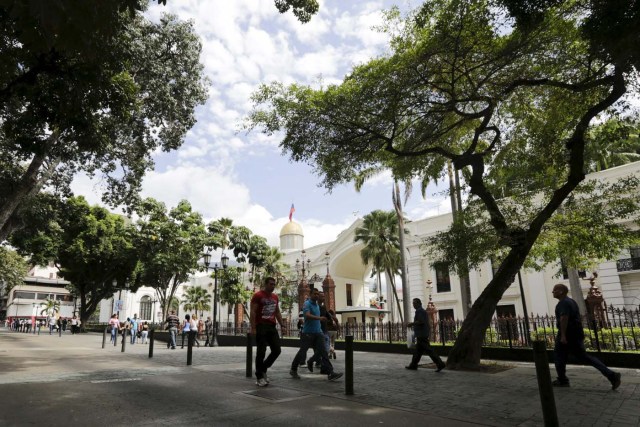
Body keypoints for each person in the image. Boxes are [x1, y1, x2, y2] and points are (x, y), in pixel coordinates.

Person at [551, 283, 621, 389]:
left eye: (555, 290)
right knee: (579, 357)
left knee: (559, 356)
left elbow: (564, 318)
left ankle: (563, 380)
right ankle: (611, 375)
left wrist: (563, 336)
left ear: (561, 291)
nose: (553, 292)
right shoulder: (571, 301)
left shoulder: (563, 303)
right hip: (576, 333)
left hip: (568, 334)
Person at [290, 288, 343, 382]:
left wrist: (331, 320)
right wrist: (320, 318)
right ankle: (293, 369)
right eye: (315, 294)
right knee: (302, 351)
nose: (316, 295)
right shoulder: (307, 304)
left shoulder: (318, 306)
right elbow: (307, 315)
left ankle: (330, 373)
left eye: (317, 294)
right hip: (308, 333)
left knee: (324, 352)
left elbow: (326, 316)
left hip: (318, 332)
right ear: (310, 294)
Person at [250, 276, 285, 387]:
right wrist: (253, 327)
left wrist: (282, 324)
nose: (273, 286)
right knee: (261, 351)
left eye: (274, 284)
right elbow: (253, 312)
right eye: (270, 284)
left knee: (277, 350)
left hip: (271, 326)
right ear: (265, 284)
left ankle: (263, 368)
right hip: (261, 326)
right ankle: (259, 376)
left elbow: (277, 312)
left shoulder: (275, 297)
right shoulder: (258, 295)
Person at [405, 298, 446, 372]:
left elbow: (421, 322)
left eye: (414, 303)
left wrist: (411, 324)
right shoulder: (420, 311)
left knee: (429, 351)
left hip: (422, 334)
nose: (413, 305)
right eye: (413, 303)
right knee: (418, 351)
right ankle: (413, 365)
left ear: (418, 303)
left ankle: (440, 363)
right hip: (421, 334)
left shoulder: (420, 311)